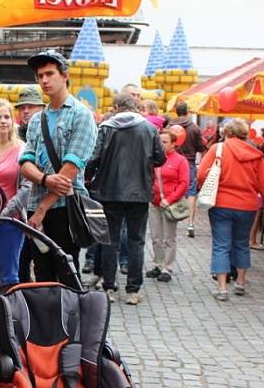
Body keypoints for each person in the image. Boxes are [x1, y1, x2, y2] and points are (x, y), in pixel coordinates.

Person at [19, 49, 97, 281]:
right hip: (35, 205)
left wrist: (43, 207)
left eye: (50, 73)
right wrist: (44, 179)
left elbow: (71, 168)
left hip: (65, 207)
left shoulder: (80, 115)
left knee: (66, 273)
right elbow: (25, 162)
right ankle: (47, 318)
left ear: (65, 75)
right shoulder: (37, 118)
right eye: (40, 75)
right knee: (42, 274)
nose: (44, 80)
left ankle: (70, 318)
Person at [86, 93, 165, 304]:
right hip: (139, 192)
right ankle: (133, 290)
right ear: (135, 106)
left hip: (109, 191)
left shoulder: (107, 127)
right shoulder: (149, 128)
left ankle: (109, 287)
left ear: (117, 107)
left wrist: (88, 179)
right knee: (136, 241)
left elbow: (93, 158)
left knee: (110, 240)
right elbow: (161, 157)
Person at [198, 118, 264, 301]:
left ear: (227, 133)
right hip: (247, 206)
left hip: (221, 203)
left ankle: (221, 287)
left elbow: (201, 174)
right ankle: (241, 283)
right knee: (242, 243)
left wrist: (211, 186)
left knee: (221, 244)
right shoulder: (256, 155)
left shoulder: (217, 149)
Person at [0, 98, 25, 290]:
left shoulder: (21, 150)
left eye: (6, 116)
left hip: (10, 221)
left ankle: (12, 316)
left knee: (9, 275)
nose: (2, 121)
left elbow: (26, 188)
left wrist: (4, 214)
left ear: (12, 120)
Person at [147, 126, 189, 283]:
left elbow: (184, 183)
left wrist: (170, 199)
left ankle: (167, 267)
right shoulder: (154, 158)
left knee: (169, 237)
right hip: (154, 202)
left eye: (164, 141)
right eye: (159, 141)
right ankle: (158, 264)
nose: (161, 144)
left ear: (173, 144)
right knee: (156, 236)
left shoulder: (180, 160)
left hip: (170, 204)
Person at [14, 86, 45, 281]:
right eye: (22, 107)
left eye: (30, 107)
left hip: (39, 204)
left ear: (41, 108)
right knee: (20, 261)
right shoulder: (13, 135)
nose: (25, 111)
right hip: (17, 211)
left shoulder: (46, 133)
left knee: (42, 259)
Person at [170, 102, 205, 238]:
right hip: (189, 163)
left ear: (176, 112)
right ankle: (190, 223)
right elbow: (200, 147)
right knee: (191, 193)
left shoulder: (170, 126)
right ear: (188, 112)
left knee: (174, 190)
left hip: (173, 162)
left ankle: (172, 219)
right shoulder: (195, 128)